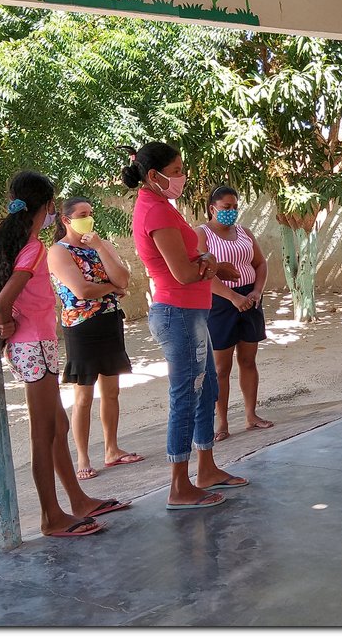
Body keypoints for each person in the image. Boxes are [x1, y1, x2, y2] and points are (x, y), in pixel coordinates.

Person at [0, 171, 128, 537]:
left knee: (58, 426)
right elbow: (3, 302)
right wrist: (4, 326)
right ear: (50, 206)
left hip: (39, 342)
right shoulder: (34, 247)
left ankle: (76, 501)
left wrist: (8, 325)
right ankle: (51, 516)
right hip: (33, 344)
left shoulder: (23, 241)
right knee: (44, 432)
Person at [120, 142, 248, 510]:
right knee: (186, 395)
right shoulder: (155, 212)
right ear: (153, 176)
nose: (181, 177)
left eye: (180, 169)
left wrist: (206, 258)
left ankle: (206, 468)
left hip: (191, 312)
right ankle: (179, 484)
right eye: (175, 171)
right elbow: (184, 271)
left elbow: (194, 258)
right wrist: (216, 266)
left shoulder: (162, 206)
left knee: (206, 389)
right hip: (177, 313)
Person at [49, 196, 144, 479]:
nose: (88, 217)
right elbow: (81, 291)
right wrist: (112, 288)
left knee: (111, 391)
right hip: (81, 326)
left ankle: (112, 449)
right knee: (83, 396)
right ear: (66, 220)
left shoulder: (100, 246)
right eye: (82, 213)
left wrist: (100, 247)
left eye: (90, 212)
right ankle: (82, 458)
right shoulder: (58, 251)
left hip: (110, 321)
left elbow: (124, 279)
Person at [195, 186, 273, 442]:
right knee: (221, 367)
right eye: (226, 207)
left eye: (235, 207)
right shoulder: (202, 234)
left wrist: (256, 292)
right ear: (212, 208)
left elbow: (259, 263)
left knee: (248, 361)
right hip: (220, 302)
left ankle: (251, 415)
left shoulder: (245, 233)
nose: (231, 211)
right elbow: (204, 272)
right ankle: (222, 423)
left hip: (250, 299)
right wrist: (232, 297)